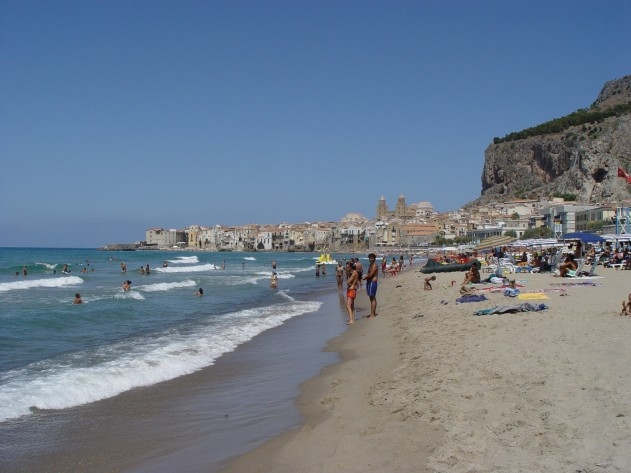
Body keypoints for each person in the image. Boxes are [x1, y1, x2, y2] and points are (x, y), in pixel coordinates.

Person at [363, 253, 378, 318]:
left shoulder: (374, 265)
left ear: (374, 259)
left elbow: (371, 275)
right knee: (372, 298)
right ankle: (373, 312)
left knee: (372, 298)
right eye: (370, 258)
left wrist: (363, 278)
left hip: (372, 282)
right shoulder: (370, 265)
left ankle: (372, 314)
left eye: (372, 258)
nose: (370, 259)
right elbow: (368, 273)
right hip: (369, 282)